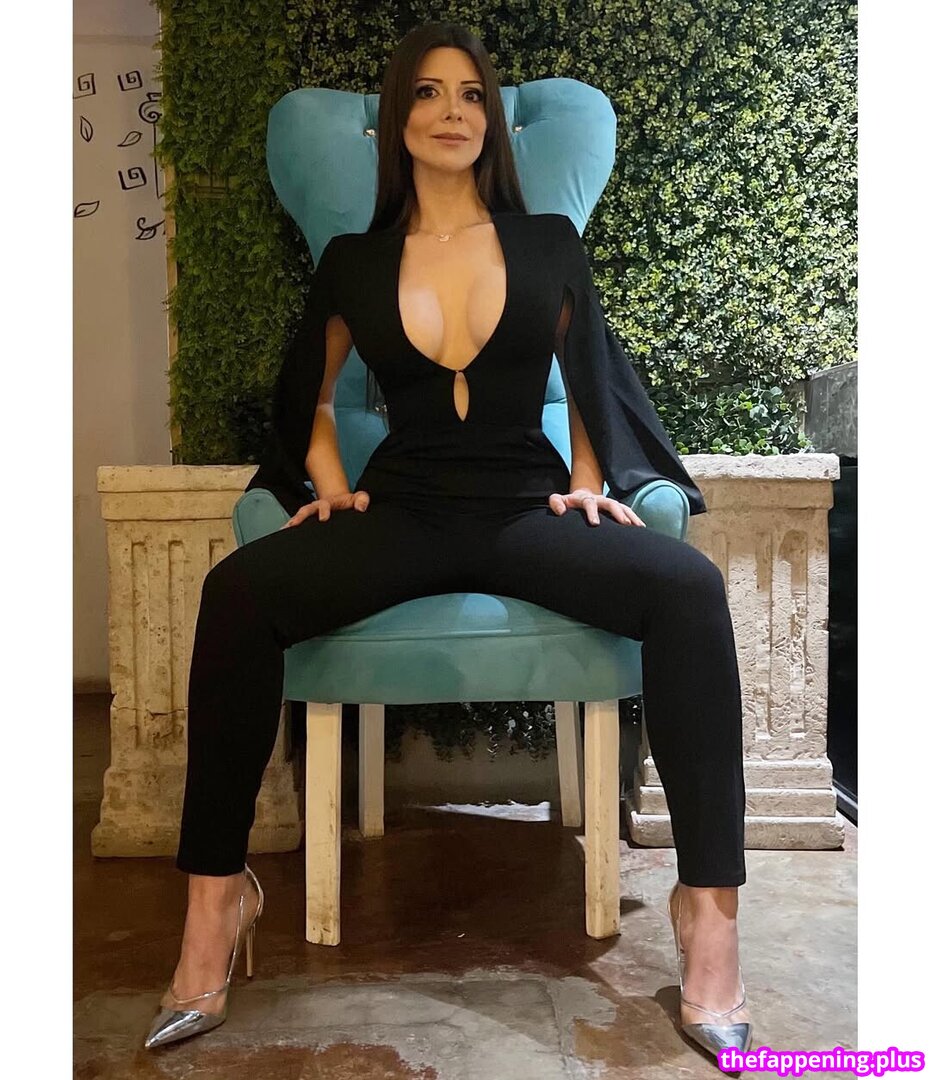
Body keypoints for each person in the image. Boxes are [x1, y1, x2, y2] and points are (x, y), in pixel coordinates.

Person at [145, 21, 752, 1062]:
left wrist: (590, 485)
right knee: (236, 592)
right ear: (398, 120)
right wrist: (329, 489)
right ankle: (216, 903)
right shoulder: (355, 261)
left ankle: (710, 912)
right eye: (428, 93)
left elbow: (595, 381)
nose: (453, 112)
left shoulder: (547, 243)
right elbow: (308, 400)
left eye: (471, 94)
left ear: (492, 122)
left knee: (689, 589)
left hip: (524, 511)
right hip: (405, 511)